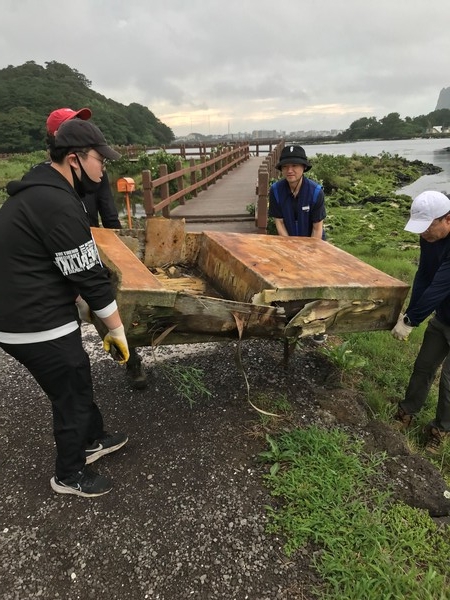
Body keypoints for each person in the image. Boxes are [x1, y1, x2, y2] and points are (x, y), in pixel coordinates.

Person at [0, 119, 131, 497]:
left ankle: (92, 439)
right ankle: (69, 475)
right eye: (99, 160)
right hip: (33, 321)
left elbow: (58, 262)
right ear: (74, 159)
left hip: (22, 309)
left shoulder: (42, 188)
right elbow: (91, 278)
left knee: (75, 378)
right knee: (71, 390)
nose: (103, 167)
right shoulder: (58, 203)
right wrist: (117, 331)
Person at [46, 107, 147, 390]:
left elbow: (107, 207)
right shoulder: (53, 177)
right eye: (73, 125)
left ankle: (130, 357)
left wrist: (118, 241)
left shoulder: (91, 167)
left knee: (107, 300)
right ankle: (73, 368)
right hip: (64, 253)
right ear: (58, 137)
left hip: (95, 242)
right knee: (77, 309)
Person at [391, 190, 450, 454]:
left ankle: (441, 430)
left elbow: (439, 287)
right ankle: (407, 410)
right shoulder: (429, 238)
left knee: (449, 380)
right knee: (423, 366)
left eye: (428, 226)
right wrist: (410, 313)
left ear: (447, 219)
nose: (423, 233)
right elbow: (425, 275)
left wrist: (412, 320)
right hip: (444, 317)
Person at [268, 144, 327, 343]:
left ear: (303, 168)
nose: (289, 170)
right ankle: (290, 322)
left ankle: (318, 328)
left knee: (316, 284)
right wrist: (289, 249)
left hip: (314, 243)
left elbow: (317, 227)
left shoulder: (315, 192)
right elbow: (279, 222)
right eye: (285, 166)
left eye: (294, 165)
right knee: (288, 280)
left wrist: (310, 254)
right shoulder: (276, 190)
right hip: (287, 242)